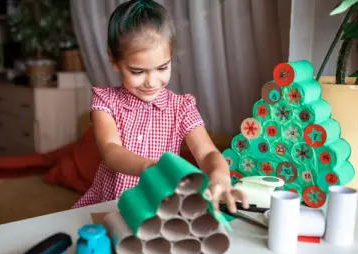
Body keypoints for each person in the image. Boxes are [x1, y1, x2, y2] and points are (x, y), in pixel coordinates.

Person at [71, 0, 248, 213]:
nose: (151, 82)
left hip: (156, 210)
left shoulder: (181, 107)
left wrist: (219, 176)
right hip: (108, 209)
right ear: (113, 59)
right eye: (138, 71)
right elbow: (110, 150)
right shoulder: (106, 101)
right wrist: (152, 168)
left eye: (162, 68)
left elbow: (208, 153)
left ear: (171, 55)